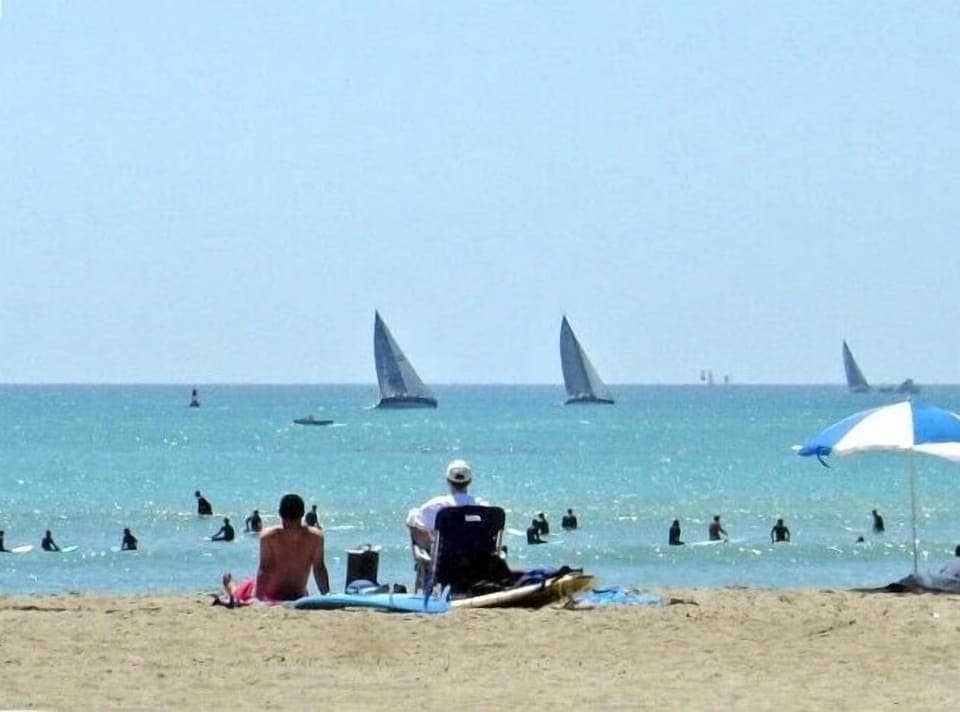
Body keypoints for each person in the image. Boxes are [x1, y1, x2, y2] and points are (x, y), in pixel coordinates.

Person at [213, 493, 330, 606]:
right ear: (303, 513)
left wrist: (258, 598)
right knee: (242, 589)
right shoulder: (316, 537)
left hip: (271, 595)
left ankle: (230, 584)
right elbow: (319, 569)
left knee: (240, 592)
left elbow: (265, 569)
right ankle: (229, 583)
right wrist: (327, 596)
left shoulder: (269, 536)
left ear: (280, 513)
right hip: (298, 595)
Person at [406, 459, 488, 548]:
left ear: (448, 480)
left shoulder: (436, 505)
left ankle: (431, 549)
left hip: (446, 555)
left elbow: (413, 521)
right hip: (478, 553)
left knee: (414, 520)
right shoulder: (483, 506)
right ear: (470, 481)